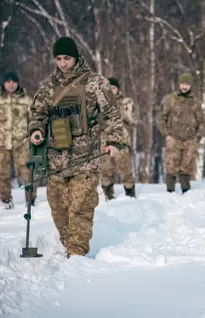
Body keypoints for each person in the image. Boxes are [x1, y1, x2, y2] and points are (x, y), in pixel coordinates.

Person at [29, 36, 124, 257]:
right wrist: (36, 131)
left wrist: (113, 141)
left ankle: (77, 256)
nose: (62, 63)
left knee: (80, 209)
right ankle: (68, 245)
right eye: (58, 58)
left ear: (76, 57)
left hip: (86, 161)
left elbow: (112, 114)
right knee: (59, 209)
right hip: (56, 161)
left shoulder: (95, 83)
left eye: (67, 58)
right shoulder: (47, 87)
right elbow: (37, 114)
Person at [156, 72, 204, 193]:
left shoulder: (195, 102)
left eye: (187, 84)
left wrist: (197, 137)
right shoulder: (170, 100)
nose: (184, 86)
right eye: (183, 83)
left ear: (191, 86)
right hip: (173, 138)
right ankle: (170, 191)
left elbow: (202, 122)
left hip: (190, 139)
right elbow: (161, 117)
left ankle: (186, 192)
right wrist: (166, 134)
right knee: (171, 165)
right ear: (179, 84)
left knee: (187, 166)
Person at [0, 71, 36, 209]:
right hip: (2, 141)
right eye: (8, 82)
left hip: (21, 141)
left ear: (17, 83)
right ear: (4, 84)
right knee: (2, 172)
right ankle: (5, 200)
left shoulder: (26, 100)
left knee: (27, 170)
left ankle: (31, 199)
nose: (11, 84)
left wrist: (33, 134)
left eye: (13, 82)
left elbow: (34, 119)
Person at [100, 77, 137, 200]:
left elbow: (133, 120)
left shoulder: (125, 103)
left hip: (122, 141)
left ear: (118, 89)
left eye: (114, 88)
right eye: (109, 88)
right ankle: (108, 196)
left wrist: (128, 110)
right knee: (106, 169)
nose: (111, 90)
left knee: (125, 169)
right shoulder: (100, 103)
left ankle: (130, 194)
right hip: (104, 141)